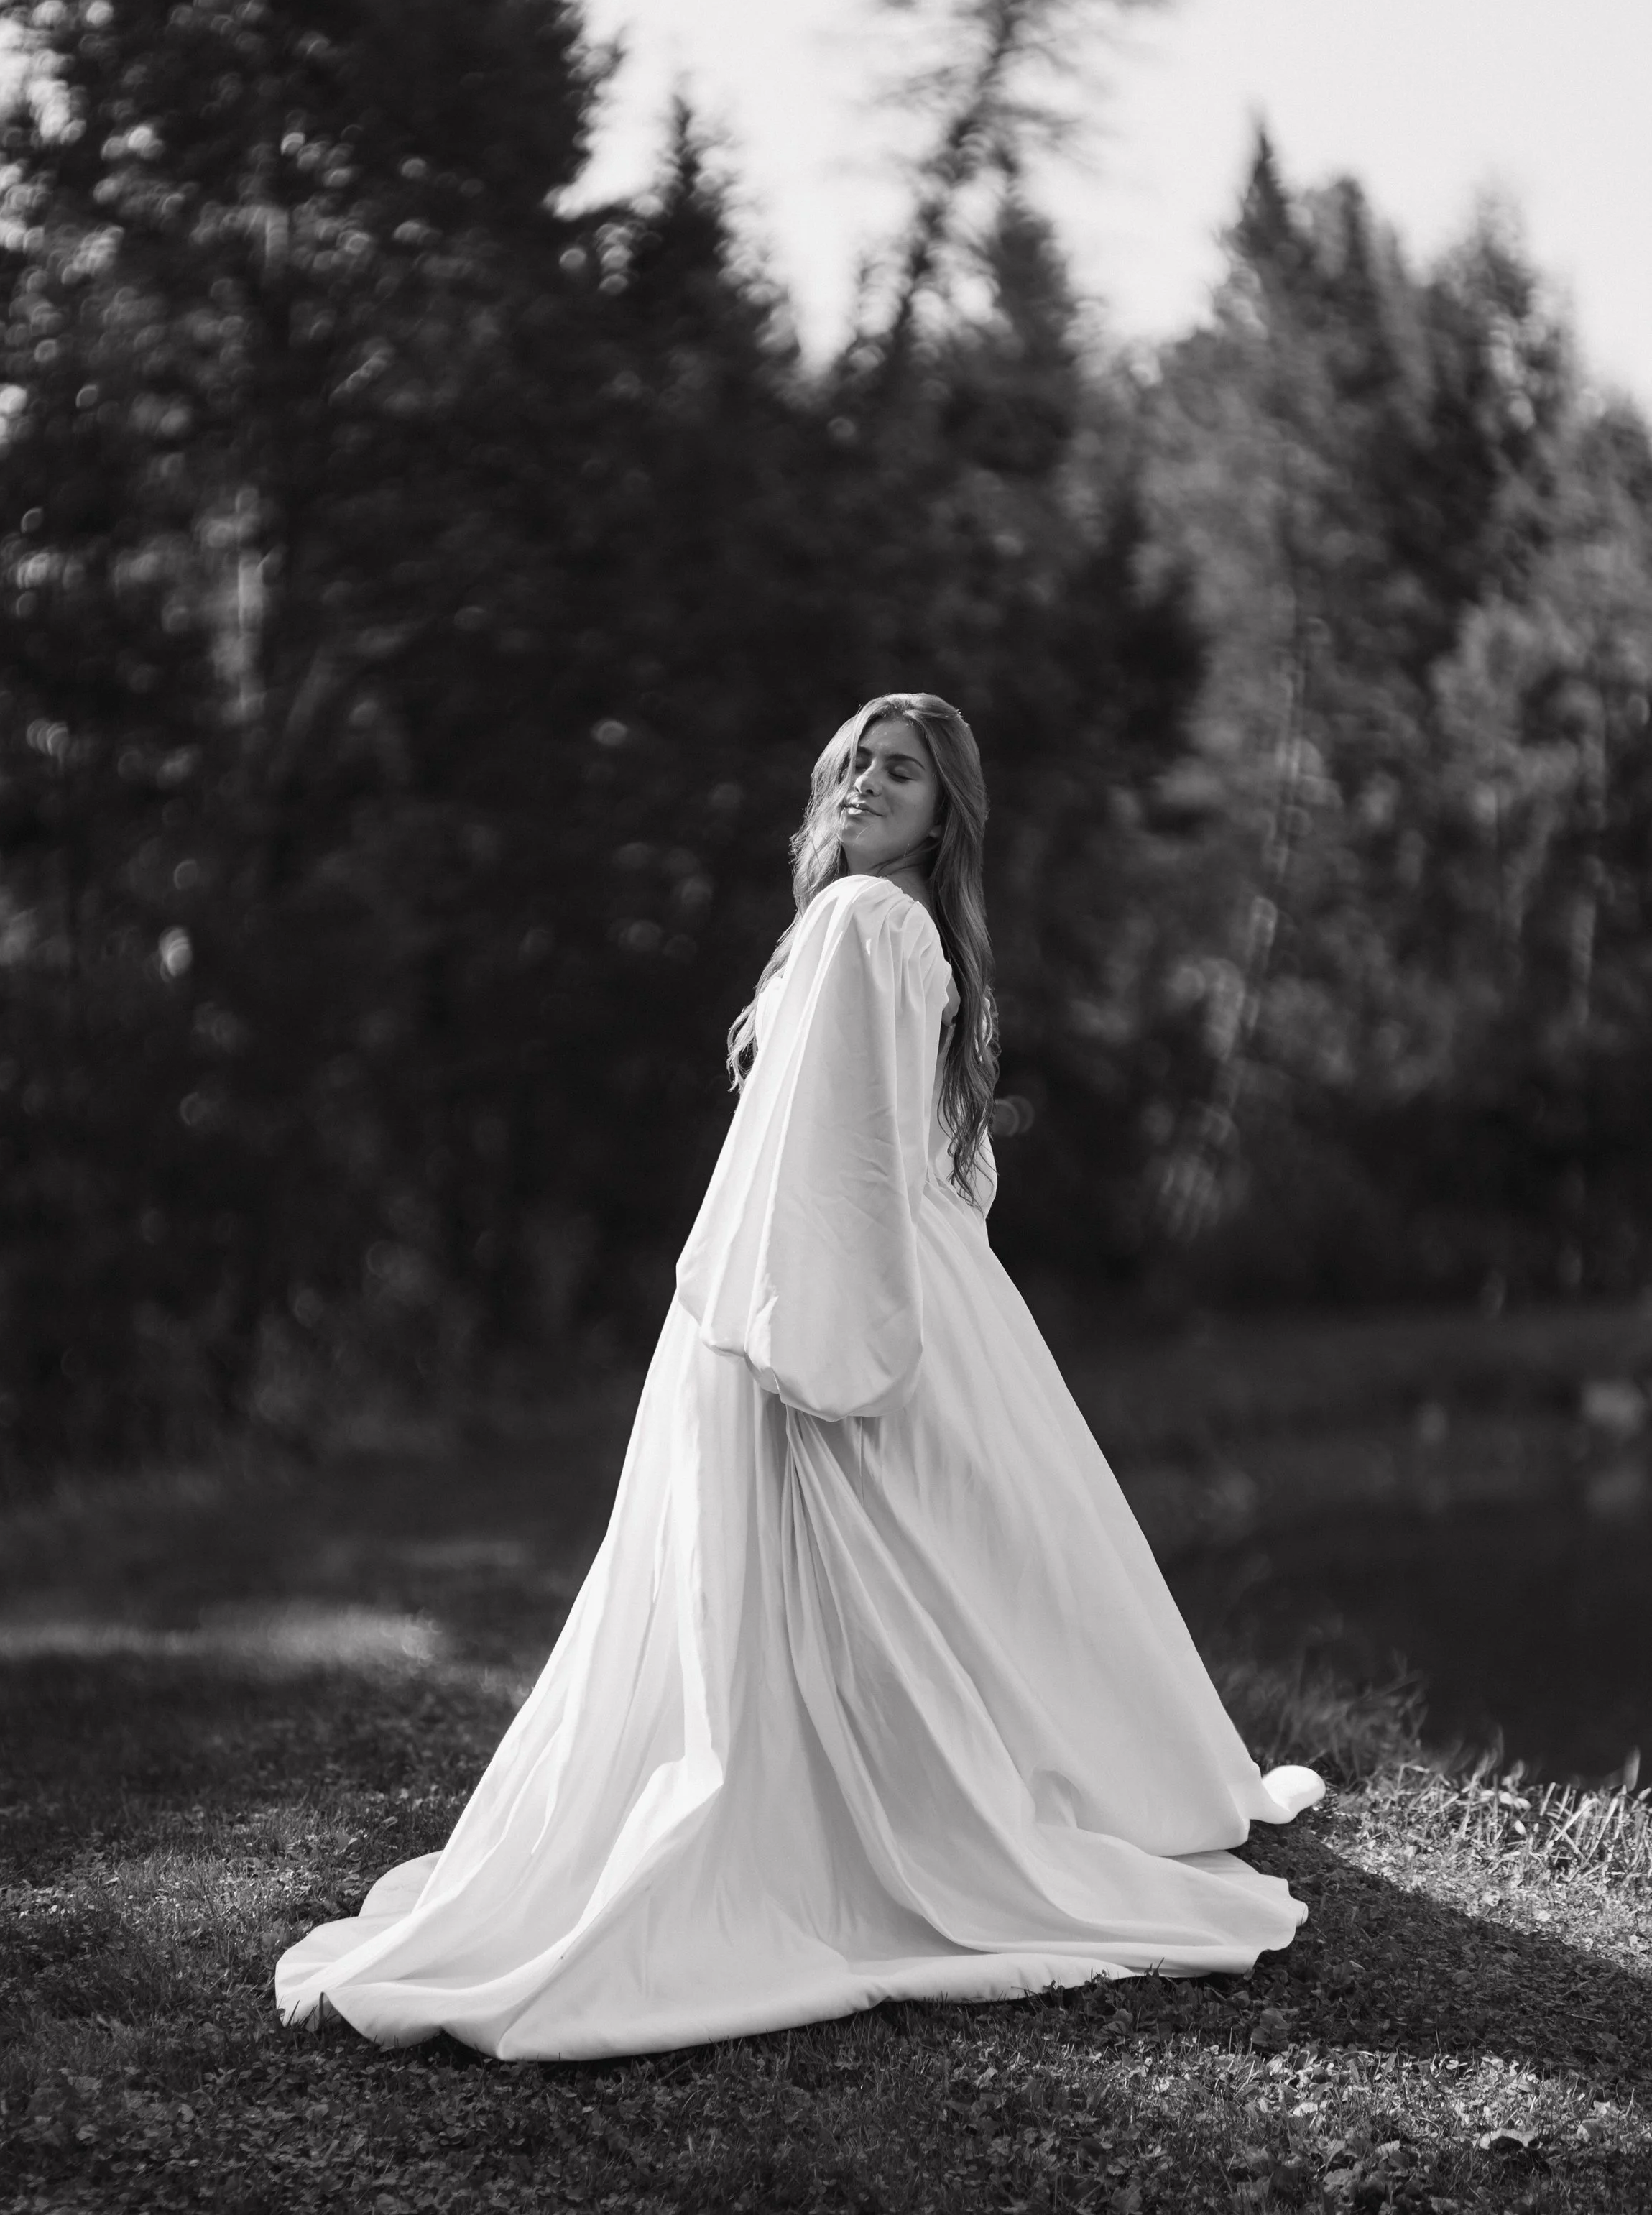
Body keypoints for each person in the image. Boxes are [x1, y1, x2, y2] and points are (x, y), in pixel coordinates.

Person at [275, 691, 1323, 2060]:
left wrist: (808, 1333)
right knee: (965, 1565)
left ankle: (859, 1820)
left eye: (901, 772)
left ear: (947, 809)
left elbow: (840, 1154)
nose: (867, 787)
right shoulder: (900, 931)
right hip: (881, 1267)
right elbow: (928, 1155)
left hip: (827, 1282)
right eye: (854, 766)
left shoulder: (867, 922)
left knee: (860, 1563)